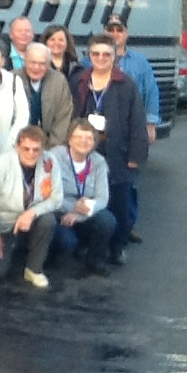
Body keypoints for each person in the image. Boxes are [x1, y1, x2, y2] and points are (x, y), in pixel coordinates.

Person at [71, 34, 148, 265]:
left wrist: (135, 156)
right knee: (86, 199)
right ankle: (88, 243)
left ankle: (116, 247)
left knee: (119, 204)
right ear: (89, 55)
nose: (101, 58)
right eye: (96, 53)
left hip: (118, 153)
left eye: (107, 54)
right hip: (85, 151)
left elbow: (137, 121)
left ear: (115, 56)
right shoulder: (79, 81)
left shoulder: (126, 84)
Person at [101, 13, 159, 244]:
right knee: (101, 180)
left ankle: (128, 225)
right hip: (102, 133)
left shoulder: (140, 62)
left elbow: (151, 92)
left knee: (129, 182)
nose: (115, 34)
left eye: (119, 30)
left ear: (126, 33)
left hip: (131, 131)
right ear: (104, 32)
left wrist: (150, 124)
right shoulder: (91, 60)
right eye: (111, 29)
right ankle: (103, 227)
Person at [0, 126, 62, 289]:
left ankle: (34, 269)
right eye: (26, 148)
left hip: (31, 219)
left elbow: (57, 198)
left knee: (48, 220)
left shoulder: (50, 161)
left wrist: (32, 212)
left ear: (43, 149)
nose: (31, 153)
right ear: (17, 147)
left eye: (36, 149)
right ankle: (10, 248)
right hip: (2, 224)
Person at [50, 119, 116, 277]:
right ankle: (50, 256)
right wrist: (73, 207)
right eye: (79, 137)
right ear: (70, 139)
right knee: (66, 241)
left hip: (84, 212)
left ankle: (95, 261)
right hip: (58, 212)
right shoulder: (54, 157)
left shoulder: (99, 162)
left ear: (94, 142)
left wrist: (79, 214)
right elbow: (48, 194)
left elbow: (103, 198)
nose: (83, 141)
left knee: (108, 221)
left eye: (88, 138)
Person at [17, 43, 74, 149]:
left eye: (42, 64)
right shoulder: (12, 79)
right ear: (25, 61)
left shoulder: (59, 81)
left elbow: (63, 118)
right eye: (32, 62)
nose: (36, 67)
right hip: (17, 145)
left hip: (51, 146)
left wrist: (51, 148)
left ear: (48, 64)